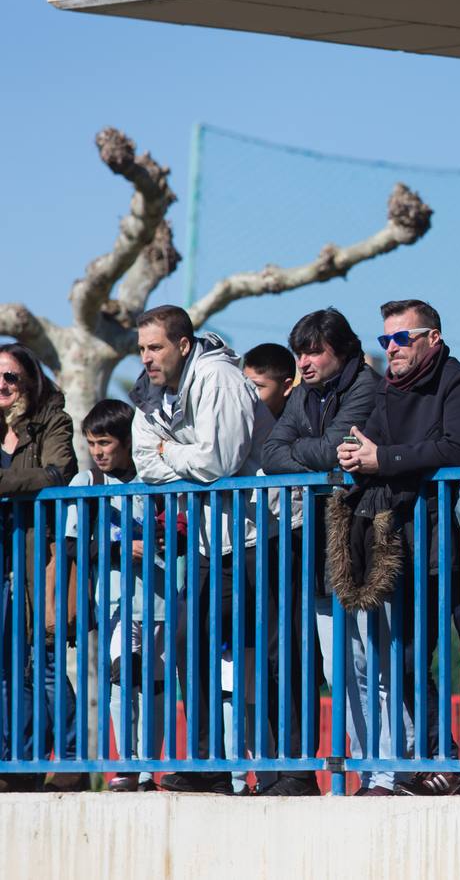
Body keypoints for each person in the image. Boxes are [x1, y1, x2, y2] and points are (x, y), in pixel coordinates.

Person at [331, 298, 460, 796]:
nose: (392, 348)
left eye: (402, 338)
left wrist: (384, 458)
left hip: (450, 539)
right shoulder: (386, 388)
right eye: (386, 340)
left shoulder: (459, 382)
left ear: (432, 339)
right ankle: (428, 760)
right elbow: (369, 443)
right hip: (398, 542)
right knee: (403, 658)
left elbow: (454, 447)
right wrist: (354, 454)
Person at [128, 304, 280, 795]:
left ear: (184, 345)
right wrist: (182, 460)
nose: (147, 359)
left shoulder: (218, 377)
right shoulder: (151, 389)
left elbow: (221, 460)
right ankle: (210, 763)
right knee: (186, 641)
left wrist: (173, 452)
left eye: (155, 347)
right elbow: (143, 463)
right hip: (212, 541)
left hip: (263, 533)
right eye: (142, 349)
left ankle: (288, 774)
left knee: (271, 657)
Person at [260, 307, 381, 794]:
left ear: (343, 350)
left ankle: (383, 772)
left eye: (313, 351)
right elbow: (272, 451)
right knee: (337, 668)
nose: (303, 363)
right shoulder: (305, 392)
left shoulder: (368, 386)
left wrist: (307, 453)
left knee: (370, 664)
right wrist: (315, 453)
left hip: (363, 544)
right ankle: (363, 775)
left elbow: (336, 449)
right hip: (319, 548)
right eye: (299, 353)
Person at [62, 400, 171, 792]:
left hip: (162, 599)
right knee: (122, 677)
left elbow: (178, 531)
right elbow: (73, 545)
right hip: (115, 603)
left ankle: (147, 771)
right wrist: (122, 550)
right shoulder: (88, 483)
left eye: (105, 443)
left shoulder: (156, 479)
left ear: (128, 442)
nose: (98, 452)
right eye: (92, 443)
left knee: (155, 687)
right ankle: (124, 768)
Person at [0, 344, 78, 793]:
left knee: (43, 664)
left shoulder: (52, 419)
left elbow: (56, 473)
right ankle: (19, 764)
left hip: (38, 555)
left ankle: (69, 761)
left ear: (29, 379)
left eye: (11, 376)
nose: (3, 386)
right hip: (4, 560)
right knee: (7, 670)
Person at [243, 343, 297, 420]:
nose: (247, 394)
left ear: (286, 387)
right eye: (245, 386)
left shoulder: (303, 424)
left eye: (257, 387)